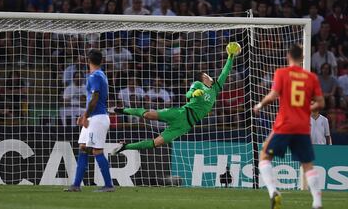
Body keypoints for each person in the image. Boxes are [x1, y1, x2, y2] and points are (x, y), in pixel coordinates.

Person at [110, 42, 240, 155]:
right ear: (203, 78)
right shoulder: (198, 84)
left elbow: (225, 72)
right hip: (181, 113)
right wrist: (194, 94)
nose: (210, 77)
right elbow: (188, 94)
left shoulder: (215, 88)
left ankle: (125, 146)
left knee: (156, 143)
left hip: (185, 125)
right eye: (207, 75)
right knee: (148, 115)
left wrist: (230, 56)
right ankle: (123, 110)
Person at [253, 44, 325, 209]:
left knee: (264, 157)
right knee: (307, 164)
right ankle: (317, 202)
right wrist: (306, 108)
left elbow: (272, 96)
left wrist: (259, 105)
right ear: (302, 58)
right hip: (302, 126)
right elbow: (321, 102)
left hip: (284, 124)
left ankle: (273, 192)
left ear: (288, 56)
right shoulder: (311, 77)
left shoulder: (282, 73)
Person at [65, 49, 114, 192]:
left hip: (97, 118)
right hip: (94, 117)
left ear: (88, 61)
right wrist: (86, 115)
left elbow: (95, 97)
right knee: (83, 148)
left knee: (97, 151)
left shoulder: (94, 76)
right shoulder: (101, 75)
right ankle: (76, 185)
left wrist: (85, 115)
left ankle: (109, 185)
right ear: (102, 61)